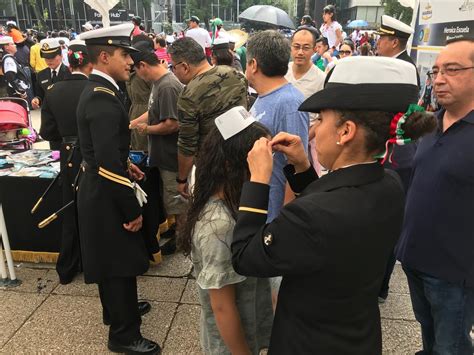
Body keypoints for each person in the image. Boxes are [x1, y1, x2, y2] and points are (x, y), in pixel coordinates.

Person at [231, 56, 437, 354]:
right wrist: (303, 167)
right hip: (357, 336)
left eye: (321, 119)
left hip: (308, 342)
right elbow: (333, 208)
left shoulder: (313, 215)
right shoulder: (389, 184)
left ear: (346, 131)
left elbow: (244, 256)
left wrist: (258, 180)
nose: (314, 130)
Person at [76, 23, 160, 355]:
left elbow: (105, 153)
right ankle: (124, 335)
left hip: (100, 189)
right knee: (120, 263)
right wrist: (131, 209)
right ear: (105, 56)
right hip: (106, 195)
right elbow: (106, 166)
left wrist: (127, 165)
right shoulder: (102, 99)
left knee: (113, 262)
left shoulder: (103, 92)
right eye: (125, 55)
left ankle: (119, 311)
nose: (130, 62)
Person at [396, 38, 474, 355]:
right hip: (414, 260)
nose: (439, 79)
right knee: (429, 338)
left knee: (451, 346)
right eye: (437, 71)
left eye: (452, 70)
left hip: (455, 274)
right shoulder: (430, 123)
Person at [179, 112, 273, 354]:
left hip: (248, 321)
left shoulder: (234, 201)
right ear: (232, 165)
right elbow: (222, 306)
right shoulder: (218, 225)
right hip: (232, 343)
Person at [375, 14, 421, 303]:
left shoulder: (402, 69)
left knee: (387, 217)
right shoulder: (396, 65)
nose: (378, 42)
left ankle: (379, 284)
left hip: (395, 155)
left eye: (382, 38)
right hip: (391, 152)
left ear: (394, 41)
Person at [39, 40, 93, 284]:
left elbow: (47, 133)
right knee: (96, 209)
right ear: (90, 63)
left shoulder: (53, 91)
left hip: (69, 155)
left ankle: (69, 266)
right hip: (93, 154)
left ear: (68, 63)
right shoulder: (96, 89)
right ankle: (94, 264)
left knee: (70, 208)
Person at [167, 37, 248, 199]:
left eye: (173, 67)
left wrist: (182, 179)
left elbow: (187, 145)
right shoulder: (236, 75)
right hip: (241, 159)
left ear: (184, 66)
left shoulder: (189, 95)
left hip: (212, 168)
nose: (172, 71)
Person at [130, 41, 186, 255]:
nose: (137, 75)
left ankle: (182, 239)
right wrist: (133, 123)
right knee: (170, 199)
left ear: (143, 65)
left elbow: (172, 124)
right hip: (162, 155)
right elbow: (153, 112)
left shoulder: (168, 86)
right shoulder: (157, 83)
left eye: (136, 69)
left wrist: (147, 130)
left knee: (177, 200)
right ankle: (177, 230)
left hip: (172, 156)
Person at [376, 15, 420, 86]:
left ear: (394, 43)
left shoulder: (405, 68)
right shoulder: (396, 63)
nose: (377, 43)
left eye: (381, 38)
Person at [0, 36, 31, 101]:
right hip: (17, 95)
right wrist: (21, 91)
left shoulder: (10, 58)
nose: (15, 45)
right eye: (12, 44)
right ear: (6, 47)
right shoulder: (8, 59)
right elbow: (11, 77)